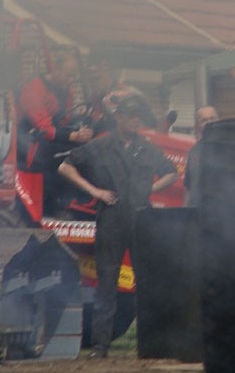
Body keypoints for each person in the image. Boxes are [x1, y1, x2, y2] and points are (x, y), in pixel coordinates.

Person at [58, 93, 177, 358]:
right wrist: (95, 191)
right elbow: (65, 167)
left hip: (142, 217)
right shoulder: (102, 145)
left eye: (138, 116)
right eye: (131, 116)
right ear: (119, 117)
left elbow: (171, 172)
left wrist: (149, 190)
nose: (136, 121)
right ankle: (100, 347)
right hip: (112, 217)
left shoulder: (146, 148)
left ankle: (151, 344)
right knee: (107, 283)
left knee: (146, 282)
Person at [17, 53, 94, 212]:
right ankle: (54, 203)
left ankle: (77, 200)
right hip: (27, 140)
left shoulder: (66, 91)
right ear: (55, 69)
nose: (71, 80)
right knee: (62, 154)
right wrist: (72, 136)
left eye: (74, 76)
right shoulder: (34, 88)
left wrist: (80, 129)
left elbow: (65, 120)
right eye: (68, 75)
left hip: (50, 136)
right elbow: (43, 127)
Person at [183, 104, 219, 206]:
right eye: (204, 120)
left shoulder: (229, 147)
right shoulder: (194, 151)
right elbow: (188, 187)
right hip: (197, 210)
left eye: (212, 119)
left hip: (221, 211)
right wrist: (185, 210)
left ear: (219, 121)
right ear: (197, 126)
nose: (209, 123)